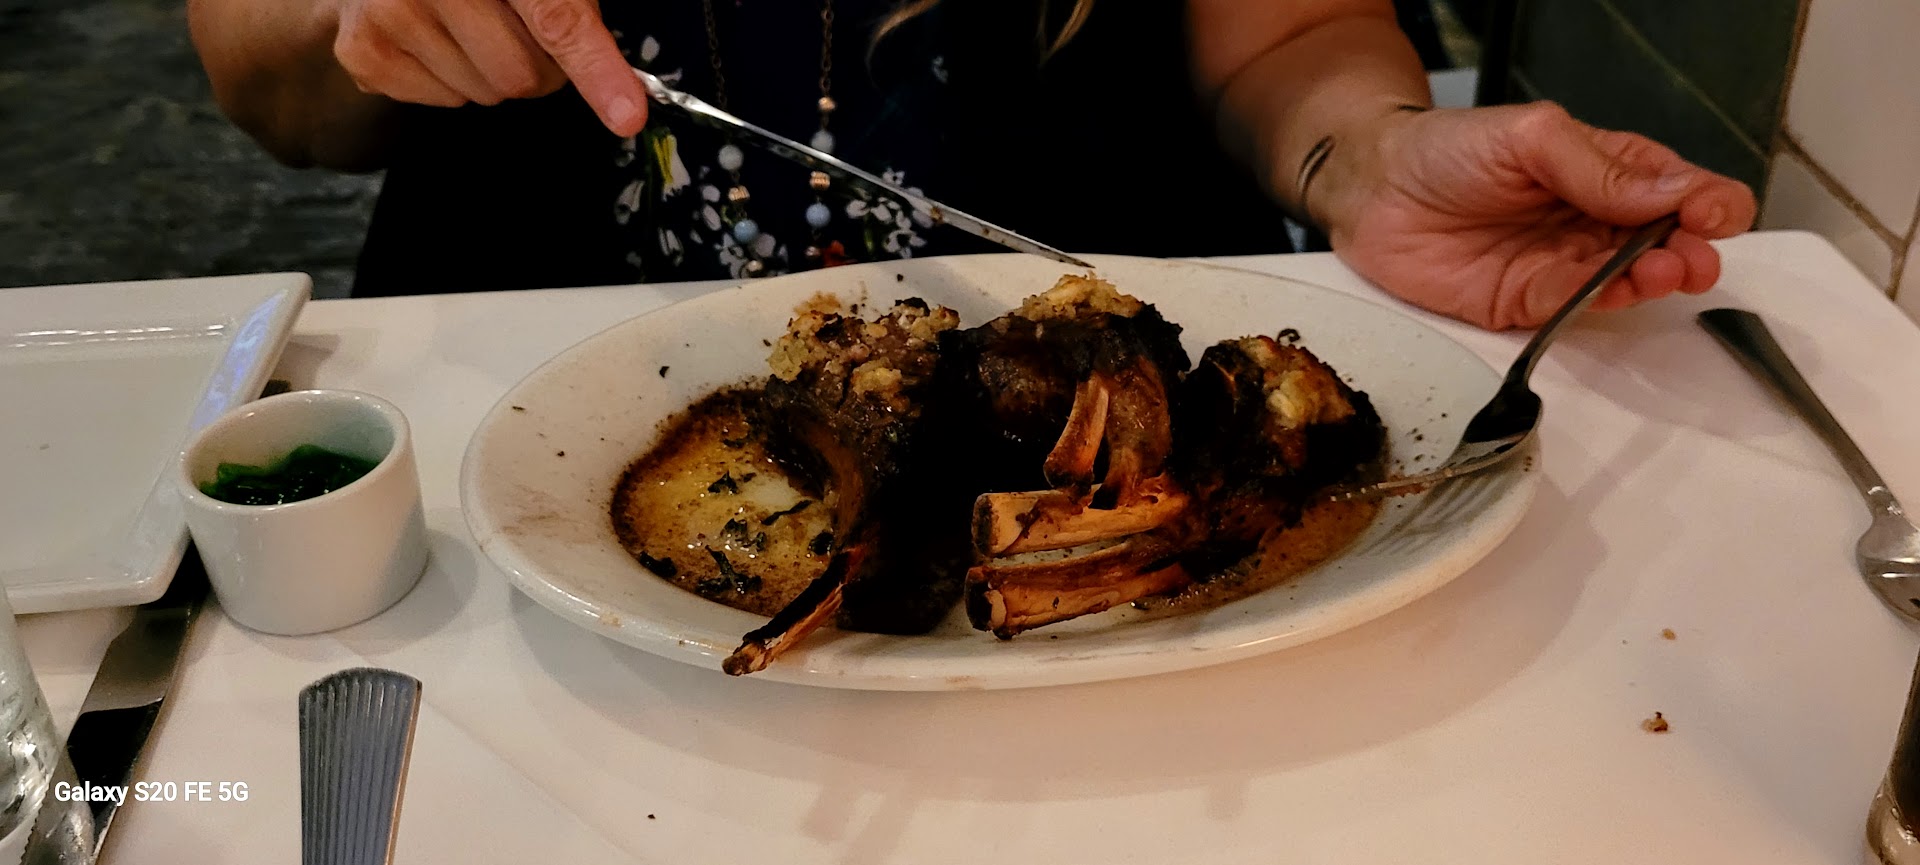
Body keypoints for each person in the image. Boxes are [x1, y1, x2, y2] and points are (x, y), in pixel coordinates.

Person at [186, 0, 1756, 330]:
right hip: (514, 408)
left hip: (1111, 415)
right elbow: (269, 88)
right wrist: (359, 22)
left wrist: (1369, 154)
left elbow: (1288, 36)